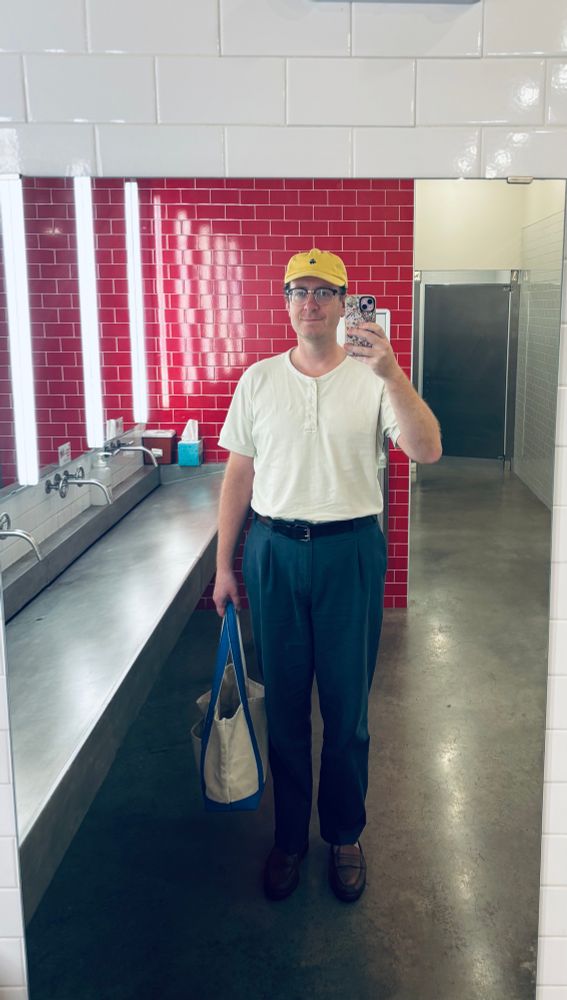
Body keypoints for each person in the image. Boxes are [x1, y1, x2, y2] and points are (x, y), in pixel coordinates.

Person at [213, 248, 441, 903]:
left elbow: (426, 448)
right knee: (285, 709)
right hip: (274, 552)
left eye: (323, 291)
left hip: (349, 553)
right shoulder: (258, 380)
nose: (309, 302)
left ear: (345, 304)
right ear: (285, 302)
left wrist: (392, 372)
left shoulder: (374, 378)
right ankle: (289, 839)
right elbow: (238, 475)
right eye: (298, 291)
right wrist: (224, 564)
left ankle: (343, 833)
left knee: (346, 710)